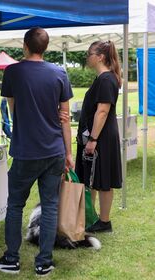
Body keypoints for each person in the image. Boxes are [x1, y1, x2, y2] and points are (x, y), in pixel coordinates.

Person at [0, 27, 74, 277]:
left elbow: (12, 109)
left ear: (25, 46)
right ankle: (44, 262)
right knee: (50, 206)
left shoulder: (13, 72)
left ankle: (12, 260)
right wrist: (69, 153)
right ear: (45, 48)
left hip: (26, 150)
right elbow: (65, 118)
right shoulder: (59, 73)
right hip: (54, 150)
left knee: (15, 205)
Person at [75, 40, 122, 233]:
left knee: (102, 179)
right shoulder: (103, 78)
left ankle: (103, 221)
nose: (88, 57)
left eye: (90, 53)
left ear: (100, 57)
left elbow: (102, 111)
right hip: (98, 136)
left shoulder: (106, 79)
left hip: (100, 137)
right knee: (93, 179)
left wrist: (93, 140)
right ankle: (93, 218)